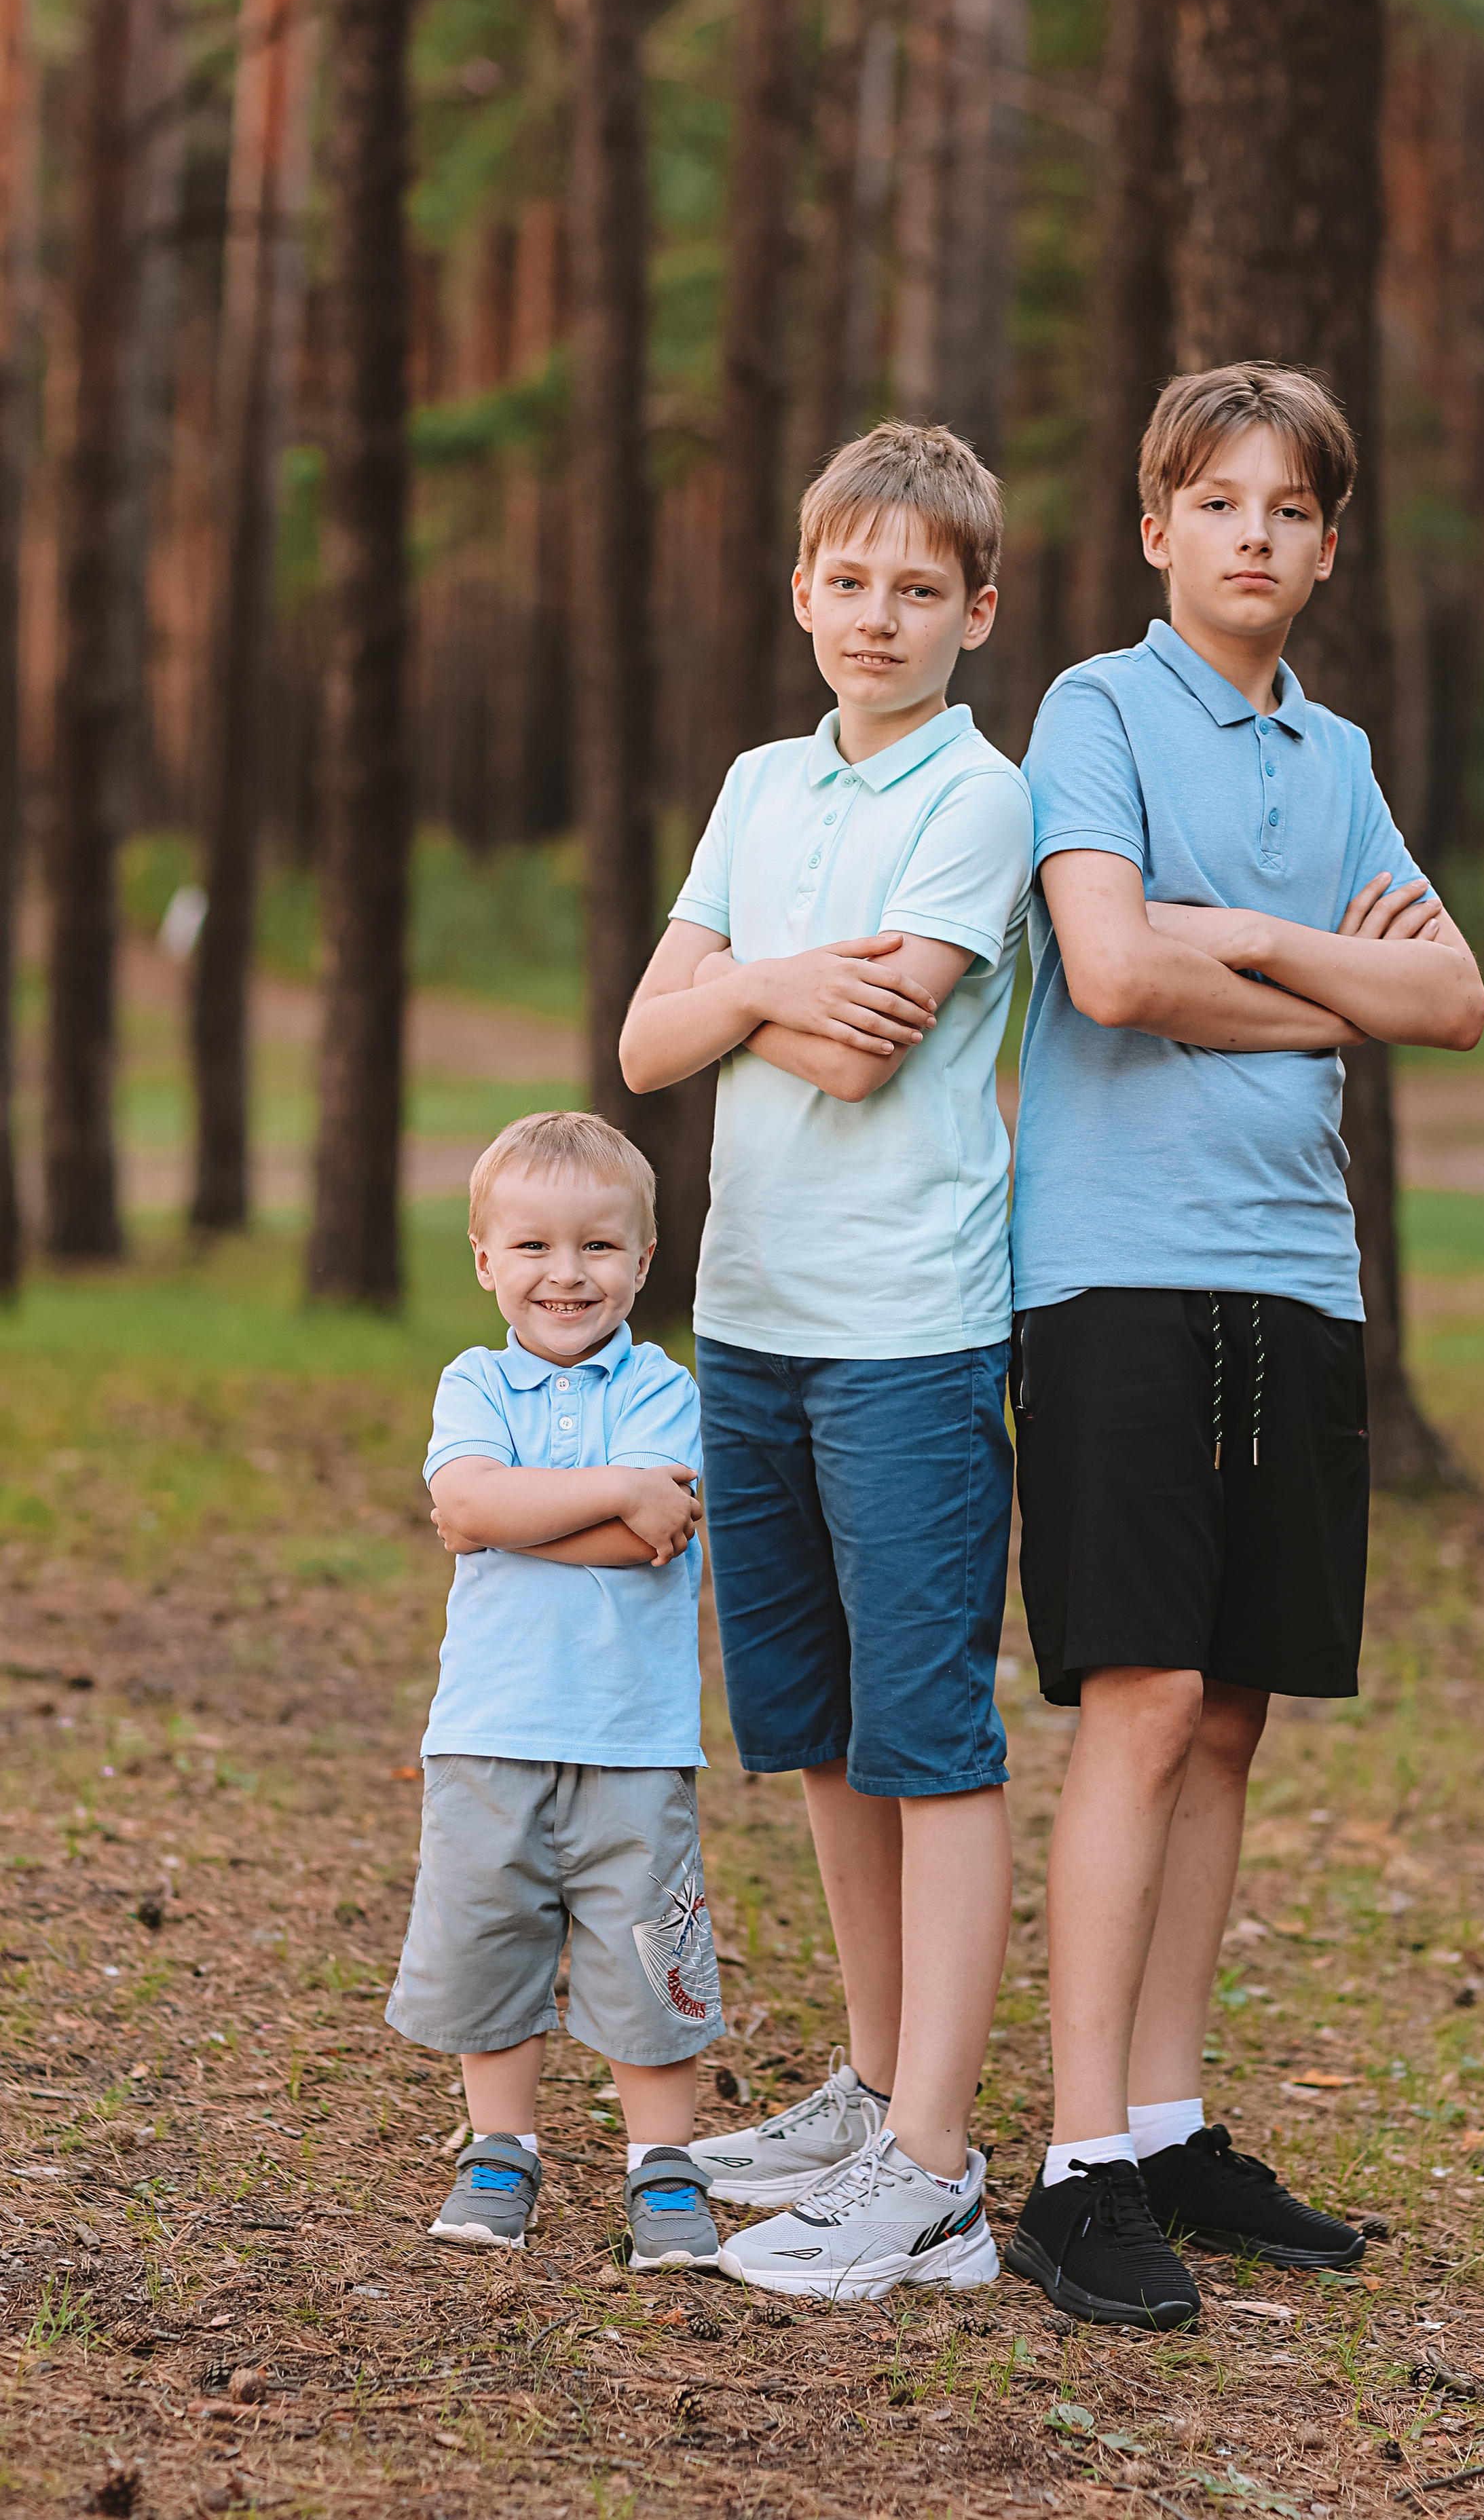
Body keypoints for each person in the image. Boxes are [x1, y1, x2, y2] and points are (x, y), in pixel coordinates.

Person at [1003, 363, 1484, 2329]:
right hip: (1120, 1265)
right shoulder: (1095, 712)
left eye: (1290, 511)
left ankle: (1175, 2123)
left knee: (1234, 1711)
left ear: (1327, 547)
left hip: (1300, 1272)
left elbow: (1446, 998)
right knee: (1140, 1692)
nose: (1256, 537)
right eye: (1220, 504)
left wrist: (1267, 951)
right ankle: (1074, 2161)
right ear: (1156, 530)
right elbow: (1107, 970)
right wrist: (1324, 979)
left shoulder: (1344, 756)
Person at [617, 421, 1033, 2299]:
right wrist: (777, 981)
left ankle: (936, 2172)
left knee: (928, 1739)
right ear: (802, 592)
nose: (878, 616)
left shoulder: (980, 798)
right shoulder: (759, 782)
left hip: (910, 1332)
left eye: (918, 590)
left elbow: (870, 1057)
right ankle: (871, 2094)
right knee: (815, 1736)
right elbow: (643, 1044)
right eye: (848, 581)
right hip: (754, 1320)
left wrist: (733, 1004)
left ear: (978, 612)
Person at [386, 1111, 726, 2272]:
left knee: (646, 1951)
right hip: (489, 1730)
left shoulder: (662, 1387)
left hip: (634, 1739)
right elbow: (466, 1510)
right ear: (485, 1261)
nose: (566, 1274)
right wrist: (608, 1500)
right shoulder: (474, 1380)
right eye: (532, 1247)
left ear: (642, 1258)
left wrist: (528, 1519)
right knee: (493, 1939)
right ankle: (501, 2147)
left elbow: (657, 1534)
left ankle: (662, 2165)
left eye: (597, 1247)